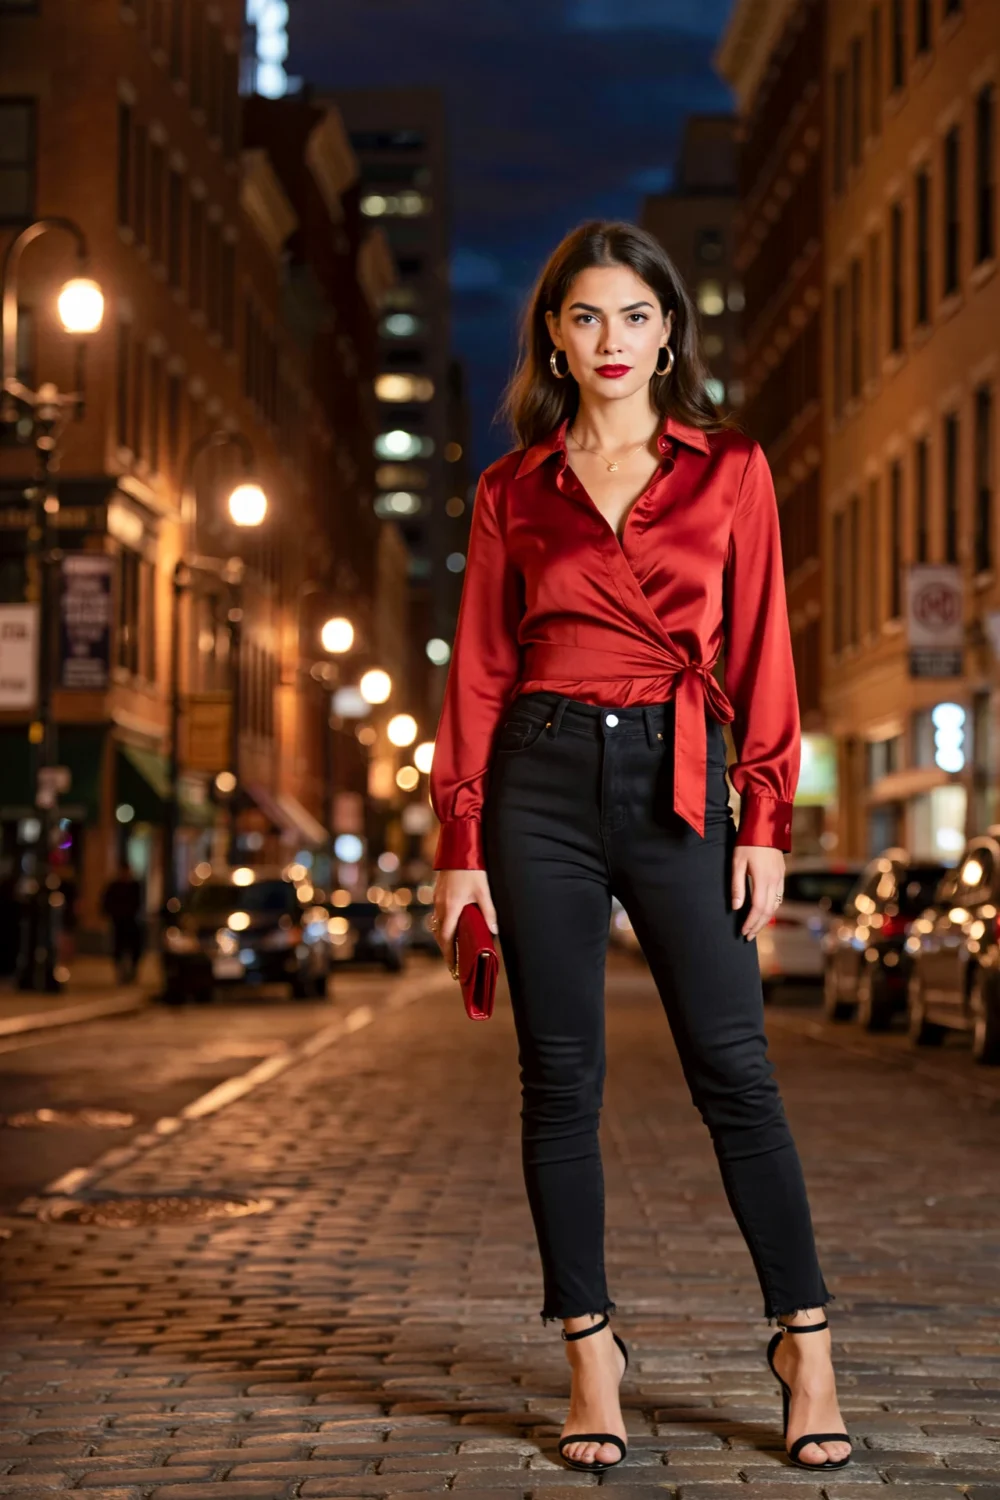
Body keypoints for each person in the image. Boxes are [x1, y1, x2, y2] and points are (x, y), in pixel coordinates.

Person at [429, 221, 851, 1476]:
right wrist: (460, 849)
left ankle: (806, 1344)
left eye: (632, 316)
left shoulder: (731, 472)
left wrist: (764, 814)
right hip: (539, 782)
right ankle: (588, 1353)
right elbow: (482, 669)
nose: (609, 341)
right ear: (553, 338)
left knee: (736, 1070)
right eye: (583, 318)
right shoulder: (513, 490)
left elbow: (764, 644)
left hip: (681, 781)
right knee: (559, 1080)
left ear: (668, 330)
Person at [101, 860, 144, 984]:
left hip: (132, 922)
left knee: (135, 948)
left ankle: (132, 972)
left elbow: (139, 903)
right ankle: (121, 972)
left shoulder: (135, 886)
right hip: (118, 922)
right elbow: (106, 903)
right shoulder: (114, 886)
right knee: (118, 949)